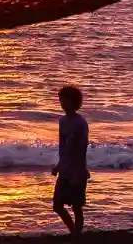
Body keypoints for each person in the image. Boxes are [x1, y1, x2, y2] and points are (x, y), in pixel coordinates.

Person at [51, 85, 89, 235]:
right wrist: (59, 165)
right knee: (57, 205)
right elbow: (63, 147)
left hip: (77, 171)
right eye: (61, 100)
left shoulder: (80, 123)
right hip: (65, 169)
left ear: (74, 102)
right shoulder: (62, 121)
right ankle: (73, 230)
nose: (62, 103)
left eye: (65, 100)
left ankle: (77, 235)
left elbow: (82, 148)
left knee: (76, 206)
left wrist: (77, 171)